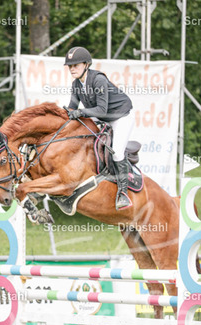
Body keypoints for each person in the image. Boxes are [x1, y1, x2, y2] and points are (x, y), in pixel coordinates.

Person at [65, 46, 134, 210]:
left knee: (116, 152)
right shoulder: (76, 84)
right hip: (102, 116)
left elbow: (101, 110)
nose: (72, 69)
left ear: (86, 65)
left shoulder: (98, 79)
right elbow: (72, 107)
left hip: (120, 116)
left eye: (76, 65)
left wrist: (81, 112)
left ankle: (123, 194)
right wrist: (65, 114)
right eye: (70, 66)